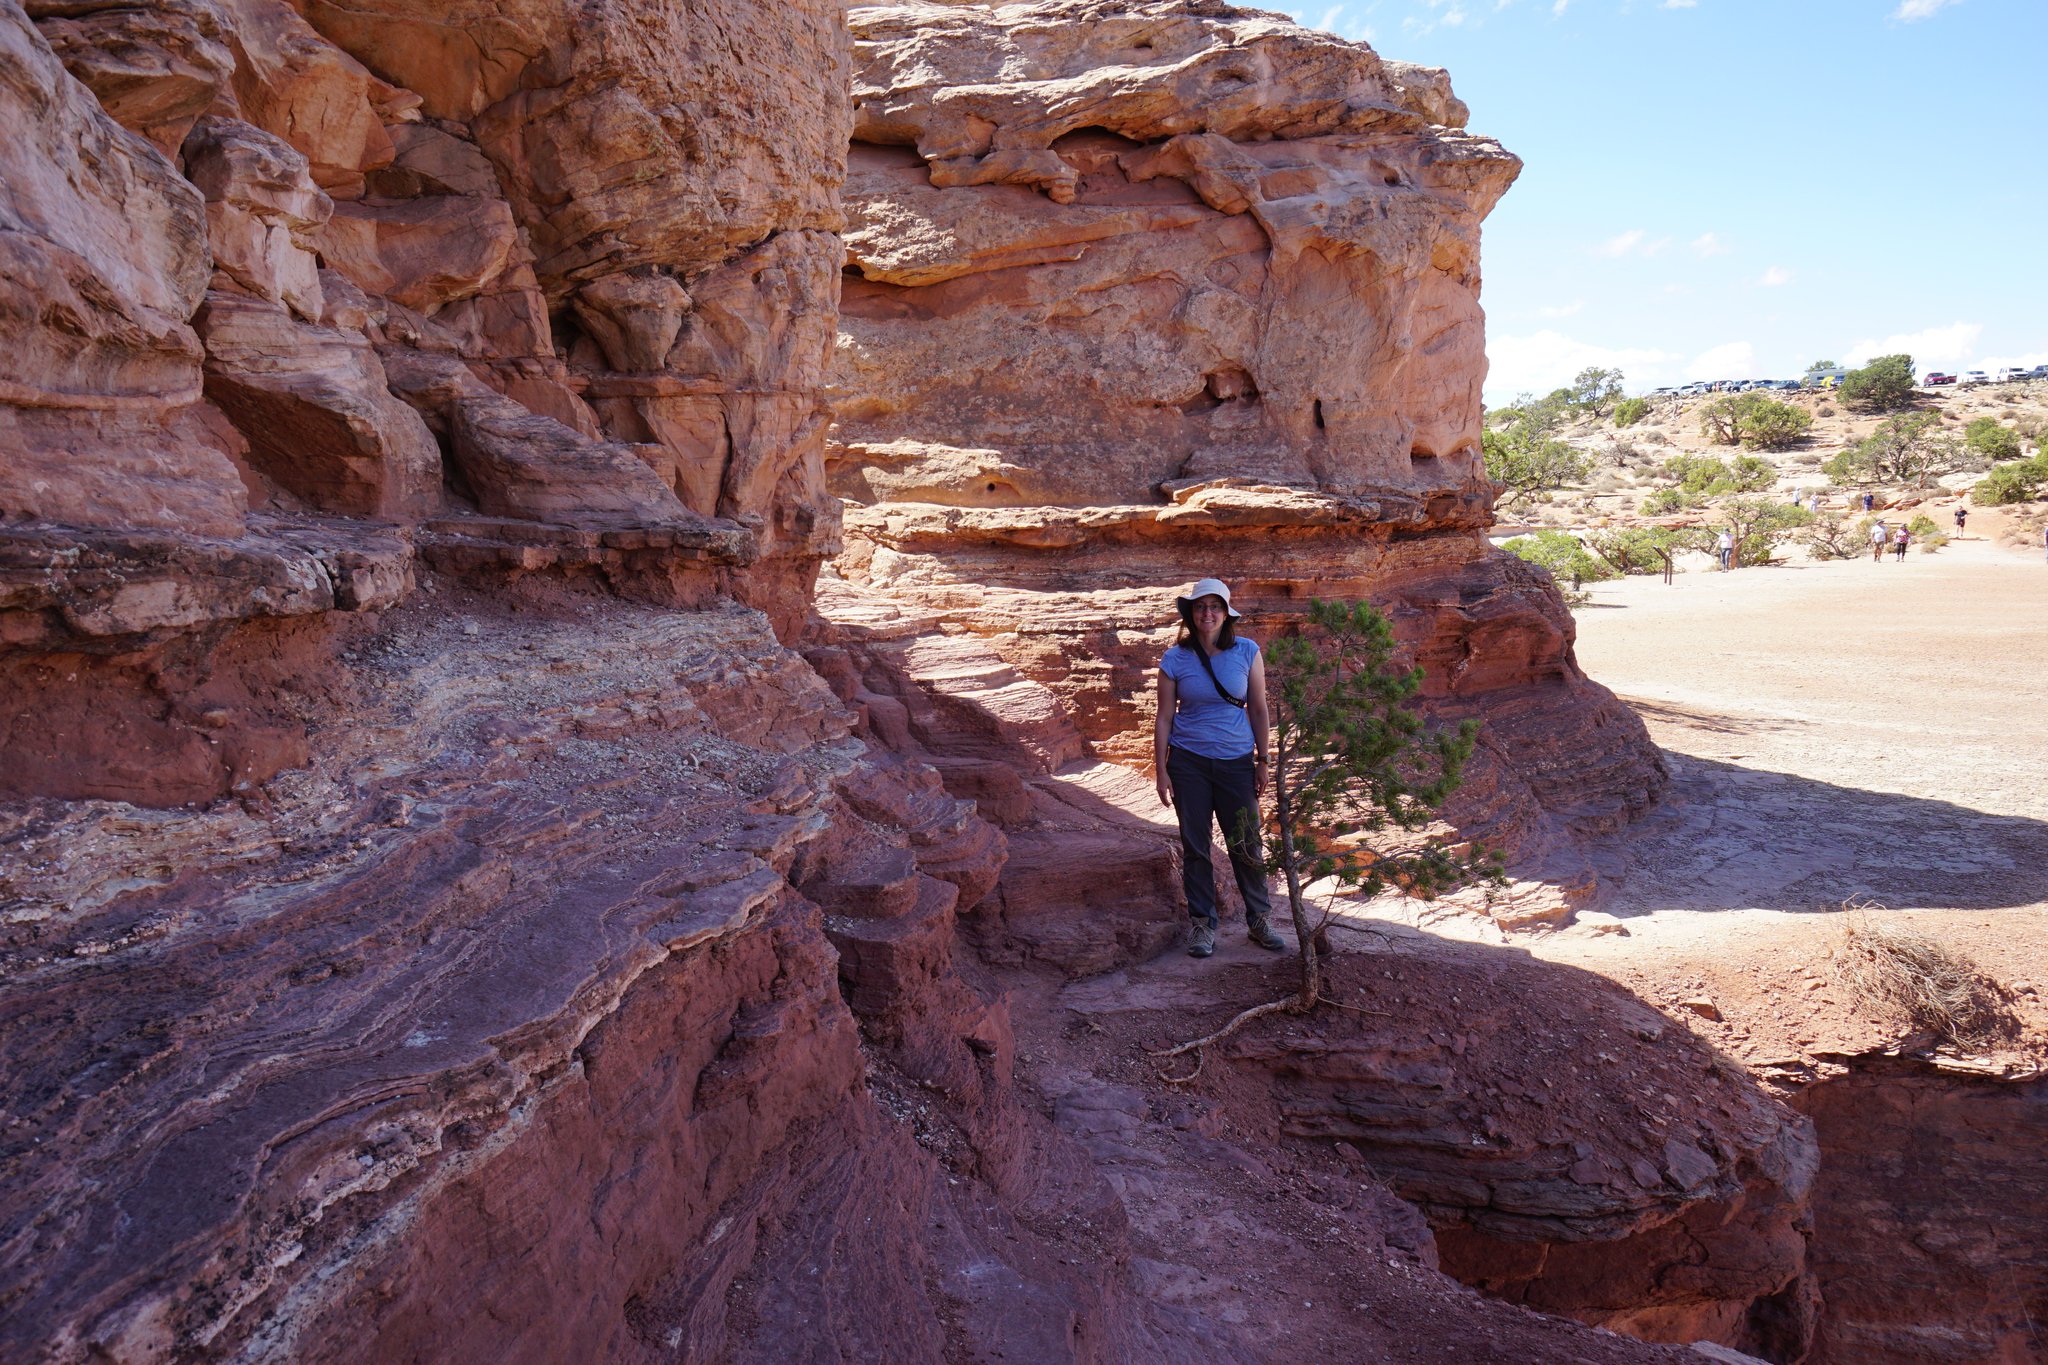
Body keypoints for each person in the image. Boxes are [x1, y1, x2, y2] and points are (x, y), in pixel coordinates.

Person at [1154, 578, 1284, 959]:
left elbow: (1258, 709)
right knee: (1196, 846)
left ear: (1227, 614)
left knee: (1246, 842)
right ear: (1191, 613)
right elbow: (1164, 717)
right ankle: (1202, 925)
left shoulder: (1247, 651)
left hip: (1236, 762)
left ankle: (1259, 920)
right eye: (1200, 606)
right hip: (1188, 762)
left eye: (1215, 606)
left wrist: (1263, 760)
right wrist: (1160, 769)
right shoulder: (1174, 658)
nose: (1207, 613)